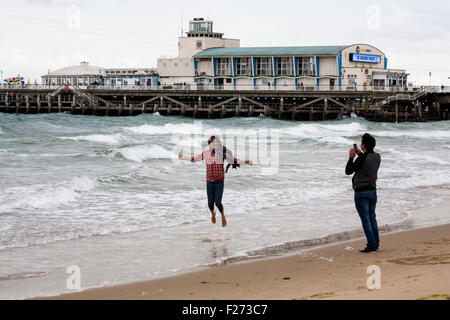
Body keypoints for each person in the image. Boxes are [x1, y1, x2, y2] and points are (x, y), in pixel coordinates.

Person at [179, 136, 253, 228]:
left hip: (219, 181)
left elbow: (234, 160)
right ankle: (213, 213)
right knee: (210, 203)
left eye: (216, 142)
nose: (215, 144)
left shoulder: (222, 153)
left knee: (218, 202)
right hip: (209, 182)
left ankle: (222, 215)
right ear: (209, 144)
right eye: (213, 142)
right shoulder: (205, 153)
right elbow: (194, 159)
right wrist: (182, 158)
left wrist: (246, 161)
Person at [345, 134, 382, 253]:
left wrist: (351, 157)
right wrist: (360, 154)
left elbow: (348, 171)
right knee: (372, 218)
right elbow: (366, 161)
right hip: (372, 191)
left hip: (361, 192)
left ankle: (371, 244)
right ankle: (375, 243)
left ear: (364, 145)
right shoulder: (377, 156)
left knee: (365, 219)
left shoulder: (362, 158)